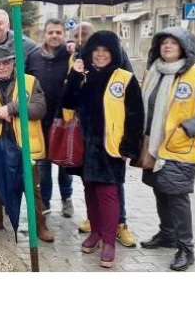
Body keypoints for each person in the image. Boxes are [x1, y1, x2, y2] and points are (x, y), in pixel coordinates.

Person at [138, 27, 195, 271]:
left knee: (177, 198)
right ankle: (167, 234)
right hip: (153, 144)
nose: (168, 46)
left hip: (179, 146)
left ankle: (186, 249)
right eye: (164, 42)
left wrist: (187, 129)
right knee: (160, 191)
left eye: (174, 42)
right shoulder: (154, 72)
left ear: (185, 47)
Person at [62, 30, 143, 268]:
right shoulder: (83, 74)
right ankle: (96, 232)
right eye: (96, 50)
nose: (99, 55)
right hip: (85, 145)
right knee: (90, 191)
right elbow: (68, 103)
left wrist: (129, 146)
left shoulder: (125, 78)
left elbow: (136, 115)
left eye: (105, 51)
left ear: (113, 53)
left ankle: (109, 241)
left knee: (108, 194)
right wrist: (74, 77)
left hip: (111, 148)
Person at [0, 9, 54, 243]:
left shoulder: (29, 81)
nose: (1, 67)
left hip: (24, 145)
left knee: (32, 188)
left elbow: (39, 109)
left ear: (13, 61)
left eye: (5, 63)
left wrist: (13, 108)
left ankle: (40, 226)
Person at [25, 18, 74, 218]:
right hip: (41, 121)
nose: (54, 36)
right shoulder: (34, 57)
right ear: (44, 35)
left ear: (64, 35)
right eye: (50, 32)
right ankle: (45, 201)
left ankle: (67, 199)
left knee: (64, 165)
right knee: (43, 166)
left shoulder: (72, 57)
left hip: (63, 119)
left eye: (58, 32)